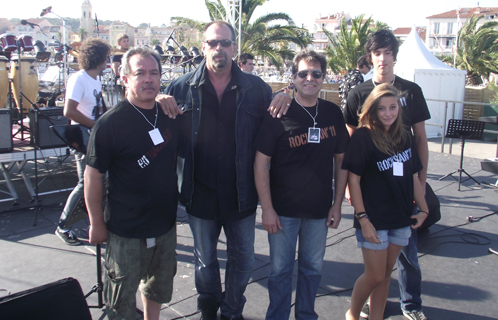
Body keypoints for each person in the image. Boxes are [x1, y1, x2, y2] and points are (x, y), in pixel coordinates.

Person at [164, 21, 273, 320]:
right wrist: (159, 98)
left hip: (242, 193)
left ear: (234, 47)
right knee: (205, 261)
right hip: (199, 193)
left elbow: (276, 131)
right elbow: (156, 124)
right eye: (213, 43)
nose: (219, 49)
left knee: (244, 260)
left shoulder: (257, 89)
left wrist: (285, 97)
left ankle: (232, 310)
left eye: (225, 43)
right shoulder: (179, 87)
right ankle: (208, 307)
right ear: (203, 47)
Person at [254, 49, 349, 319]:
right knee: (280, 272)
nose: (310, 78)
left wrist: (337, 204)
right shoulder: (278, 113)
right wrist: (267, 209)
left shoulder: (332, 113)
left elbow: (341, 161)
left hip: (319, 212)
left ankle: (306, 315)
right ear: (293, 78)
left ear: (324, 77)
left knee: (312, 270)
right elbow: (261, 162)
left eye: (316, 73)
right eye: (303, 73)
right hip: (283, 212)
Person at [84, 46, 178, 320]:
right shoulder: (110, 124)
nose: (148, 79)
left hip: (164, 225)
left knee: (157, 289)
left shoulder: (168, 115)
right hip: (125, 230)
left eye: (154, 73)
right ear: (123, 78)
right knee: (120, 303)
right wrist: (96, 223)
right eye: (140, 73)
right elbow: (92, 175)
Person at [344, 29, 431, 320]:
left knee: (392, 270)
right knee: (376, 273)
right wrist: (357, 207)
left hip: (402, 201)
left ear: (394, 55)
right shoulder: (358, 94)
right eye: (377, 53)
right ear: (370, 57)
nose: (382, 58)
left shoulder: (411, 91)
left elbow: (420, 141)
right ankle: (355, 313)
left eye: (387, 52)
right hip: (372, 201)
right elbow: (350, 145)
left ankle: (404, 306)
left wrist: (420, 190)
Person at [54, 38, 110, 246]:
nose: (108, 60)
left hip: (94, 135)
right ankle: (63, 226)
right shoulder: (79, 79)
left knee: (100, 181)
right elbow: (69, 111)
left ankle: (98, 223)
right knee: (85, 183)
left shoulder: (95, 80)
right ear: (99, 57)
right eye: (106, 56)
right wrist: (95, 125)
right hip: (83, 137)